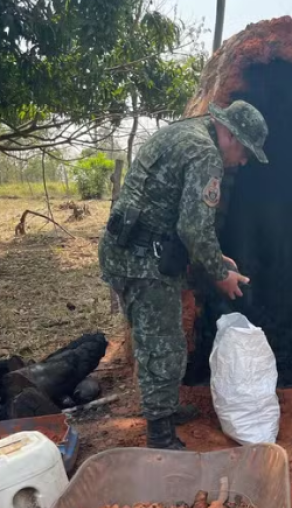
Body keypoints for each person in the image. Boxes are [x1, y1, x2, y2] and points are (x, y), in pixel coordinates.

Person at [99, 100, 269, 450]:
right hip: (143, 261)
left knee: (158, 337)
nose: (244, 160)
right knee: (164, 346)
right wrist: (222, 274)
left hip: (128, 250)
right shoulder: (206, 155)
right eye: (246, 151)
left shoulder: (184, 132)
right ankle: (160, 435)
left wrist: (213, 255)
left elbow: (176, 212)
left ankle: (166, 407)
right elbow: (193, 227)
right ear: (232, 135)